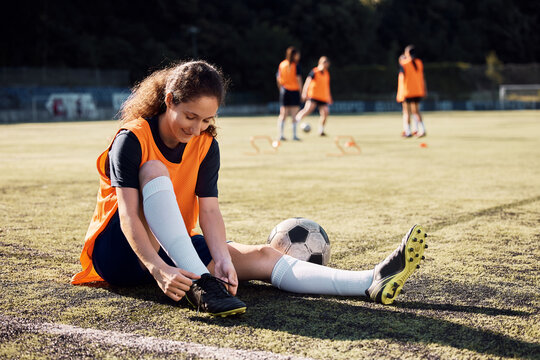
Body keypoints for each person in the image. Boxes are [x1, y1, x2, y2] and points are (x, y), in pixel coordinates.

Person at [72, 60, 428, 317]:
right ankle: (201, 284)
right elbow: (129, 216)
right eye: (190, 117)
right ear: (169, 102)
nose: (196, 128)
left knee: (261, 254)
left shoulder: (206, 144)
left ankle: (369, 281)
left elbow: (209, 210)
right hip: (119, 254)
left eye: (207, 119)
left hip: (174, 249)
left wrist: (223, 258)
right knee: (153, 169)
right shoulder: (131, 139)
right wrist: (156, 268)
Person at [295, 56, 332, 136]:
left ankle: (321, 131)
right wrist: (304, 93)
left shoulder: (326, 73)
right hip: (313, 95)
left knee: (325, 112)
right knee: (307, 110)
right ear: (320, 63)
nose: (326, 66)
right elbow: (307, 82)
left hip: (323, 97)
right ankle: (295, 123)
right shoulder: (314, 72)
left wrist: (329, 96)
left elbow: (327, 86)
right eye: (324, 63)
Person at [396, 45, 427, 137]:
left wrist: (401, 61)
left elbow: (401, 78)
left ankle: (408, 131)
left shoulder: (404, 64)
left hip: (407, 92)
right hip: (417, 91)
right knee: (416, 111)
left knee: (406, 112)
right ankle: (420, 129)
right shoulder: (419, 63)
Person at [276, 46, 303, 141]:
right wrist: (301, 92)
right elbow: (298, 79)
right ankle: (294, 136)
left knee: (283, 113)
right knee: (294, 114)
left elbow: (278, 79)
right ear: (294, 55)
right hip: (294, 91)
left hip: (284, 91)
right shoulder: (296, 65)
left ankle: (281, 135)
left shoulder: (282, 64)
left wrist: (281, 90)